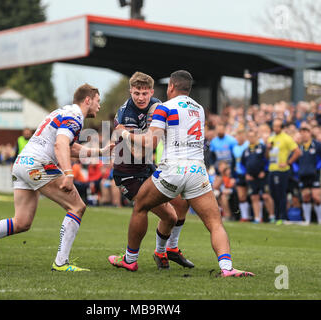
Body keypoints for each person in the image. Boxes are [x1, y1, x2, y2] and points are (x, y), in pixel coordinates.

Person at [0, 84, 113, 272]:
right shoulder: (75, 116)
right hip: (38, 164)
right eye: (98, 101)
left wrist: (100, 152)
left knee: (21, 222)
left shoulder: (62, 112)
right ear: (88, 100)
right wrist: (68, 174)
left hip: (22, 164)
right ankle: (61, 263)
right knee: (77, 207)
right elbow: (60, 145)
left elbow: (69, 146)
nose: (99, 106)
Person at [109, 70, 254, 277]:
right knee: (214, 222)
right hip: (197, 170)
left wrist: (123, 132)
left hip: (173, 170)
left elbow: (151, 142)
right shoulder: (199, 109)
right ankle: (227, 268)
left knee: (140, 206)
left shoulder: (164, 108)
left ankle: (130, 260)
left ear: (170, 87)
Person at [112, 71, 194, 269]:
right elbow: (139, 153)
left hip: (148, 168)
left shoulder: (157, 104)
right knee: (161, 213)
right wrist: (128, 132)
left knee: (180, 205)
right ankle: (131, 259)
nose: (141, 98)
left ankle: (166, 251)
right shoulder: (127, 113)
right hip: (127, 173)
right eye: (136, 93)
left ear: (151, 92)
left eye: (144, 93)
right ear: (130, 91)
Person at [266, 119, 301, 224]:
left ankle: (282, 216)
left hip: (281, 171)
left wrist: (288, 162)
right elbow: (267, 156)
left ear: (281, 128)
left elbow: (297, 151)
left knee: (281, 194)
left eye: (277, 126)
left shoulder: (286, 138)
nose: (275, 128)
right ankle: (276, 216)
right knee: (273, 194)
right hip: (272, 169)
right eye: (274, 126)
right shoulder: (271, 138)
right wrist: (267, 149)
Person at [241, 129, 275, 223]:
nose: (251, 138)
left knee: (265, 196)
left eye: (253, 136)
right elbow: (242, 164)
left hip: (262, 176)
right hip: (251, 177)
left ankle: (272, 216)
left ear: (257, 137)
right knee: (254, 197)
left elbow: (268, 160)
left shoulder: (263, 148)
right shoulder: (246, 150)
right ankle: (257, 217)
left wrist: (264, 171)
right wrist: (246, 174)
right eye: (249, 137)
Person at [296, 124, 321, 224]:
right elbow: (294, 161)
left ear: (310, 133)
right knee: (305, 197)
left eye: (306, 132)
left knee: (316, 197)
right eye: (302, 133)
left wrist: (316, 168)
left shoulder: (317, 145)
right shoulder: (299, 147)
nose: (304, 135)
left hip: (314, 175)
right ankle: (307, 220)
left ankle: (319, 219)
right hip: (303, 175)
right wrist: (298, 170)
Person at [232, 129, 250, 222]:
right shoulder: (235, 148)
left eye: (241, 135)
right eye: (238, 136)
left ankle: (253, 216)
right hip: (239, 174)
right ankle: (245, 216)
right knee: (241, 196)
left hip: (248, 174)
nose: (239, 138)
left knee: (251, 195)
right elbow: (233, 162)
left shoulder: (247, 146)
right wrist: (233, 175)